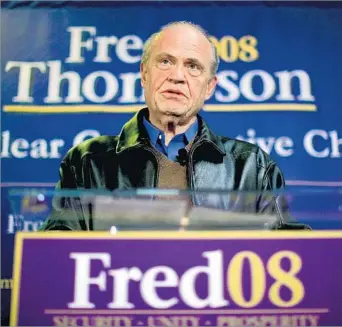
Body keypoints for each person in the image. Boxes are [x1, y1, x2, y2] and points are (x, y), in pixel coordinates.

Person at [41, 21, 307, 231]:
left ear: (210, 87)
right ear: (144, 73)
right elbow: (58, 254)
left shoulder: (252, 166)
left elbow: (287, 251)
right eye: (165, 61)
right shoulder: (88, 161)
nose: (177, 76)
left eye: (193, 66)